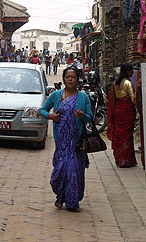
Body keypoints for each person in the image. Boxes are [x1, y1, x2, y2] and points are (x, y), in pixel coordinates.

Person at [39, 66, 93, 211]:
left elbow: (90, 118)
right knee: (59, 172)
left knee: (73, 171)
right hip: (61, 142)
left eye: (73, 77)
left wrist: (82, 116)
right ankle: (60, 195)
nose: (70, 79)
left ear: (77, 79)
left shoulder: (83, 97)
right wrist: (51, 116)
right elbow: (42, 110)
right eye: (67, 77)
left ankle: (71, 201)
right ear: (63, 79)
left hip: (76, 142)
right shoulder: (56, 96)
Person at [107, 62, 137, 168]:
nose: (133, 72)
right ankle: (127, 160)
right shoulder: (128, 83)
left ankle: (119, 159)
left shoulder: (115, 83)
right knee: (127, 136)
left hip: (118, 112)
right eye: (132, 70)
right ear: (127, 71)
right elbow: (134, 99)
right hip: (127, 112)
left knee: (120, 135)